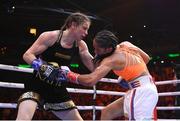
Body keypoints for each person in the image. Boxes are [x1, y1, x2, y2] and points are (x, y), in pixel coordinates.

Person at [55, 30, 159, 120]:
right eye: (94, 48)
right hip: (140, 88)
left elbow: (91, 80)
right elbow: (146, 59)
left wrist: (69, 75)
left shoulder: (111, 60)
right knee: (107, 113)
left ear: (108, 49)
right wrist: (128, 75)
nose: (95, 51)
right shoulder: (126, 44)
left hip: (141, 92)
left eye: (98, 49)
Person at [16, 12, 94, 120]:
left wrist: (110, 57)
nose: (86, 33)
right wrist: (43, 67)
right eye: (84, 28)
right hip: (37, 84)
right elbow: (27, 55)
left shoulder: (81, 45)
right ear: (73, 25)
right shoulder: (51, 36)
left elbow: (94, 67)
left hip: (57, 88)